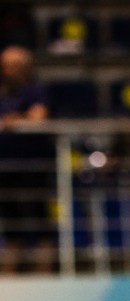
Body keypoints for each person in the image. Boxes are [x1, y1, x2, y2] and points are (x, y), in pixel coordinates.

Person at [0, 45, 53, 275]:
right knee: (11, 225)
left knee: (40, 221)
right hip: (5, 167)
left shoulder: (35, 90)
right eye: (5, 66)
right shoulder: (3, 93)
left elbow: (39, 117)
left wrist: (15, 120)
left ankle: (45, 272)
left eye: (14, 65)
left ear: (25, 67)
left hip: (33, 166)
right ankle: (9, 275)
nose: (9, 70)